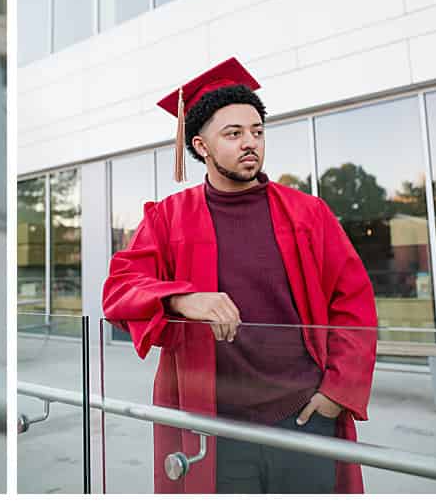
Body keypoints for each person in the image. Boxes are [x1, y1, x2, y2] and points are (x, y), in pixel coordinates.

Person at [104, 58, 377, 494]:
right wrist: (180, 299)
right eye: (233, 134)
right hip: (212, 428)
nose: (250, 142)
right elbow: (120, 290)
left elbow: (353, 303)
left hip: (304, 418)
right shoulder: (169, 219)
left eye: (257, 131)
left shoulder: (308, 214)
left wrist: (334, 395)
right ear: (201, 146)